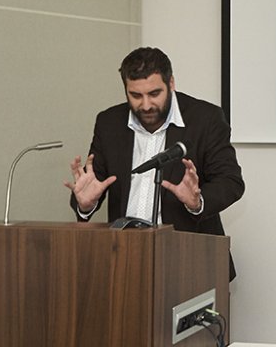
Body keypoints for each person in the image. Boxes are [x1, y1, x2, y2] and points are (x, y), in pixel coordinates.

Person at [64, 47, 245, 277]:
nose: (146, 105)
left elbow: (230, 181)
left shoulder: (205, 118)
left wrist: (197, 202)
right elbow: (92, 183)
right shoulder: (109, 122)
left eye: (154, 93)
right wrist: (86, 205)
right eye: (136, 96)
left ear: (171, 83)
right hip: (125, 259)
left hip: (191, 260)